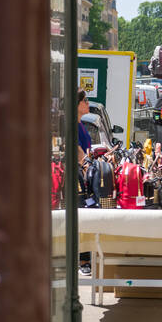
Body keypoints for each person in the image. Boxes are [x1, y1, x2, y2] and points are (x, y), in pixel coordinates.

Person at [77, 88, 92, 274]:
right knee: (82, 214)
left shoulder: (81, 123)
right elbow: (78, 151)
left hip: (83, 175)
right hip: (78, 177)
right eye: (85, 100)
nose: (88, 103)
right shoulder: (72, 124)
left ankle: (85, 257)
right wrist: (88, 165)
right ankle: (83, 260)